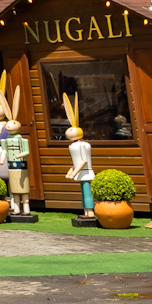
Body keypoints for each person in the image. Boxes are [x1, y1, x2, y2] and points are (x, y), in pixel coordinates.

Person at [61, 94, 96, 223]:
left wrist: (74, 172)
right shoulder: (73, 146)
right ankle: (85, 212)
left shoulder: (83, 145)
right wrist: (71, 171)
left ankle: (90, 212)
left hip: (85, 172)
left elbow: (83, 160)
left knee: (87, 192)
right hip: (80, 172)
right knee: (83, 192)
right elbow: (75, 162)